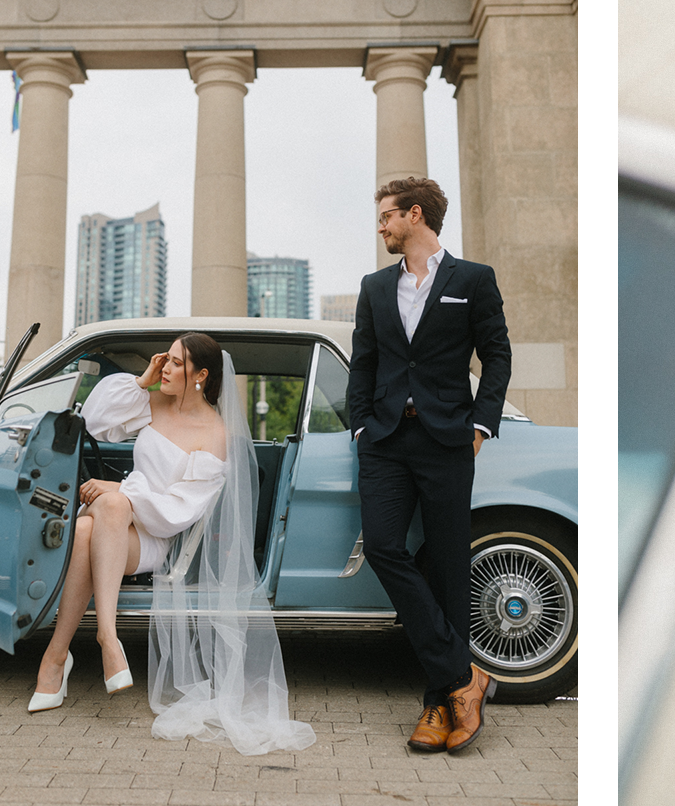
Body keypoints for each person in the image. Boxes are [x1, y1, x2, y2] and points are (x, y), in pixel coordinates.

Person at [31, 334, 315, 755]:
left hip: (155, 536)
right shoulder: (154, 402)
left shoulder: (215, 434)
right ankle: (103, 639)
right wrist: (140, 382)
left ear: (201, 375)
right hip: (118, 520)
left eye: (177, 363)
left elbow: (180, 510)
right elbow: (95, 420)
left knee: (94, 522)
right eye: (165, 359)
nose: (164, 367)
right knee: (101, 518)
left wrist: (123, 491)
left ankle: (59, 657)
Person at [348, 176, 513, 754]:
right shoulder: (374, 287)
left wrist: (481, 425)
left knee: (447, 567)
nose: (381, 227)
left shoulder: (473, 280)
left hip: (447, 440)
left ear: (415, 215)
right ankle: (464, 677)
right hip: (385, 440)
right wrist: (362, 426)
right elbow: (364, 362)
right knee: (383, 546)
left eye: (387, 216)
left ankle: (438, 706)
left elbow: (497, 356)